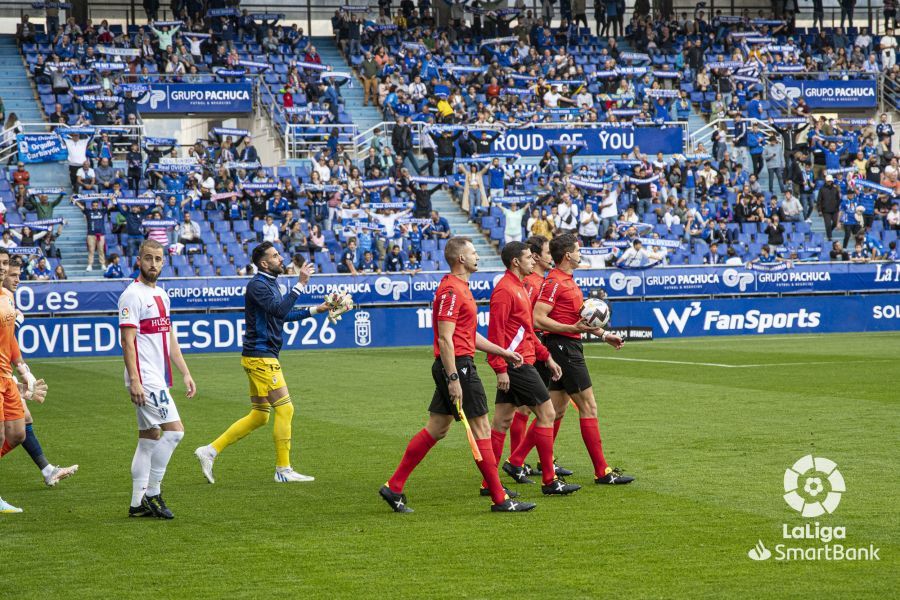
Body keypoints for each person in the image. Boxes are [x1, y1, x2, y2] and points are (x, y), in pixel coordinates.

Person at [379, 237, 533, 513]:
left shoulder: (459, 287)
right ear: (461, 258)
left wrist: (503, 352)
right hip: (458, 367)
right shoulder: (452, 290)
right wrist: (453, 379)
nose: (478, 257)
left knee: (437, 427)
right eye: (473, 253)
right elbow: (445, 338)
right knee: (482, 429)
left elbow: (467, 334)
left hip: (456, 363)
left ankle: (394, 486)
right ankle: (500, 498)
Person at [194, 242, 351, 484]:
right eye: (275, 255)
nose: (281, 258)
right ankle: (283, 469)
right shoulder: (257, 285)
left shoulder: (270, 283)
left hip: (260, 355)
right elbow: (279, 311)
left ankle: (209, 451)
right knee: (286, 409)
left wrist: (317, 309)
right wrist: (300, 284)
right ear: (264, 263)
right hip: (261, 356)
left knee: (260, 415)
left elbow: (283, 315)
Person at [517, 233, 633, 485]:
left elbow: (577, 320)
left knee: (555, 411)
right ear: (568, 255)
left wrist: (604, 335)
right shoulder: (554, 281)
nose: (581, 254)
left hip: (567, 346)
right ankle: (602, 471)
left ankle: (515, 461)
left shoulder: (567, 280)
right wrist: (571, 330)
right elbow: (537, 318)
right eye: (578, 251)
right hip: (564, 348)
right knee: (588, 407)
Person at [484, 242, 578, 497]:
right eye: (528, 257)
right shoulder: (505, 290)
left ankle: (489, 483)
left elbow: (526, 330)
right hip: (517, 363)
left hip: (520, 360)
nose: (533, 260)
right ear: (516, 261)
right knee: (547, 414)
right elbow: (496, 333)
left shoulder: (520, 288)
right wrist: (500, 368)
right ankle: (549, 480)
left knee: (502, 421)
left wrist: (546, 357)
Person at [118, 240, 196, 519]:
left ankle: (137, 504)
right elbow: (127, 342)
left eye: (158, 259)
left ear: (164, 262)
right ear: (139, 261)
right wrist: (135, 380)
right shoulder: (131, 295)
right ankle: (153, 492)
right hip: (144, 378)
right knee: (175, 432)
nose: (153, 264)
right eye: (148, 258)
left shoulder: (162, 295)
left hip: (156, 376)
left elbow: (170, 338)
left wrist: (185, 372)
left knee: (149, 438)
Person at [0, 258, 77, 486]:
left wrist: (23, 371)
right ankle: (47, 470)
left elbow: (8, 341)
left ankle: (47, 470)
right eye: (13, 274)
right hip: (3, 374)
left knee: (18, 432)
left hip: (5, 373)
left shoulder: (8, 298)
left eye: (18, 274)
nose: (17, 279)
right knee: (8, 432)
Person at [73, 197, 108, 272]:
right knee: (91, 250)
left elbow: (110, 206)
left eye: (96, 205)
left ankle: (103, 264)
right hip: (91, 234)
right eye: (94, 205)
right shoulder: (88, 211)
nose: (95, 207)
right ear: (91, 206)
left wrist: (113, 199)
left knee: (101, 250)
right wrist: (75, 201)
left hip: (101, 234)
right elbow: (81, 207)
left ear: (98, 205)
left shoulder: (102, 211)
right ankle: (90, 265)